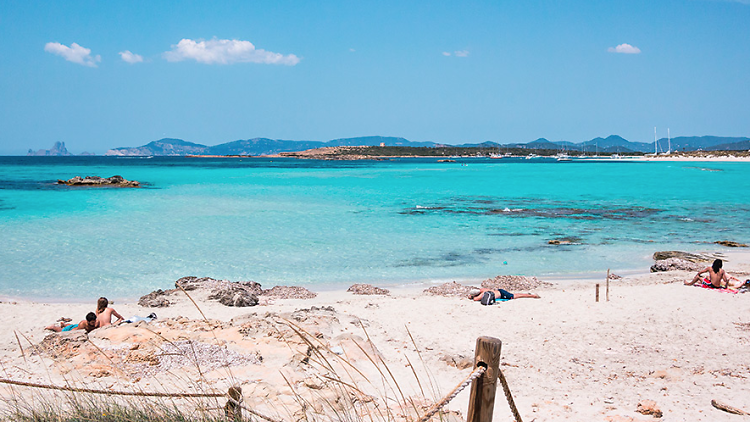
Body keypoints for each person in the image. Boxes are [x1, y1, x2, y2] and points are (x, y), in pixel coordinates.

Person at [469, 288, 540, 305]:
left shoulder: (482, 294)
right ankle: (530, 294)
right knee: (516, 295)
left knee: (516, 296)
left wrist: (472, 297)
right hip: (499, 291)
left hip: (502, 295)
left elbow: (475, 299)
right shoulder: (482, 290)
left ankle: (532, 296)